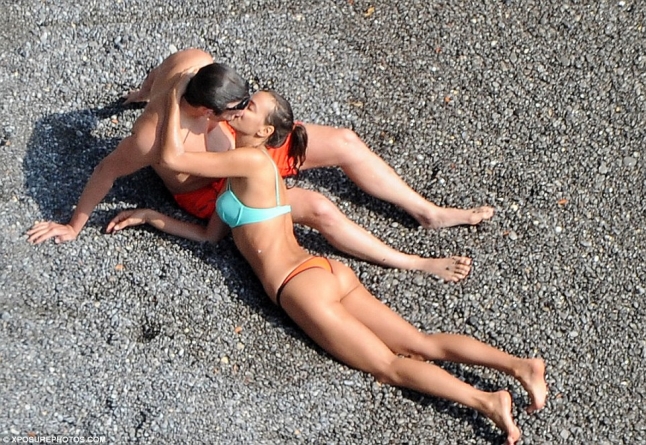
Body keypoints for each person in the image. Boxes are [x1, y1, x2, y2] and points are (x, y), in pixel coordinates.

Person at [152, 74, 547, 445]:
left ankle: (488, 401)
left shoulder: (252, 161)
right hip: (322, 272)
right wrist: (152, 218)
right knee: (419, 342)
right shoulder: (242, 167)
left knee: (389, 367)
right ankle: (519, 365)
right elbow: (210, 235)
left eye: (250, 107)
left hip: (300, 287)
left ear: (264, 132)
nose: (241, 108)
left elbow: (172, 157)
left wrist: (172, 95)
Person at [27, 48, 493, 281]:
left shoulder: (197, 63)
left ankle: (427, 213)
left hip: (249, 149)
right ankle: (414, 263)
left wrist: (141, 91)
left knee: (346, 142)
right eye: (236, 108)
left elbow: (161, 71)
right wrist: (73, 224)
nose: (242, 110)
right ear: (208, 111)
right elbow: (107, 170)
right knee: (321, 209)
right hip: (217, 188)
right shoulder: (152, 137)